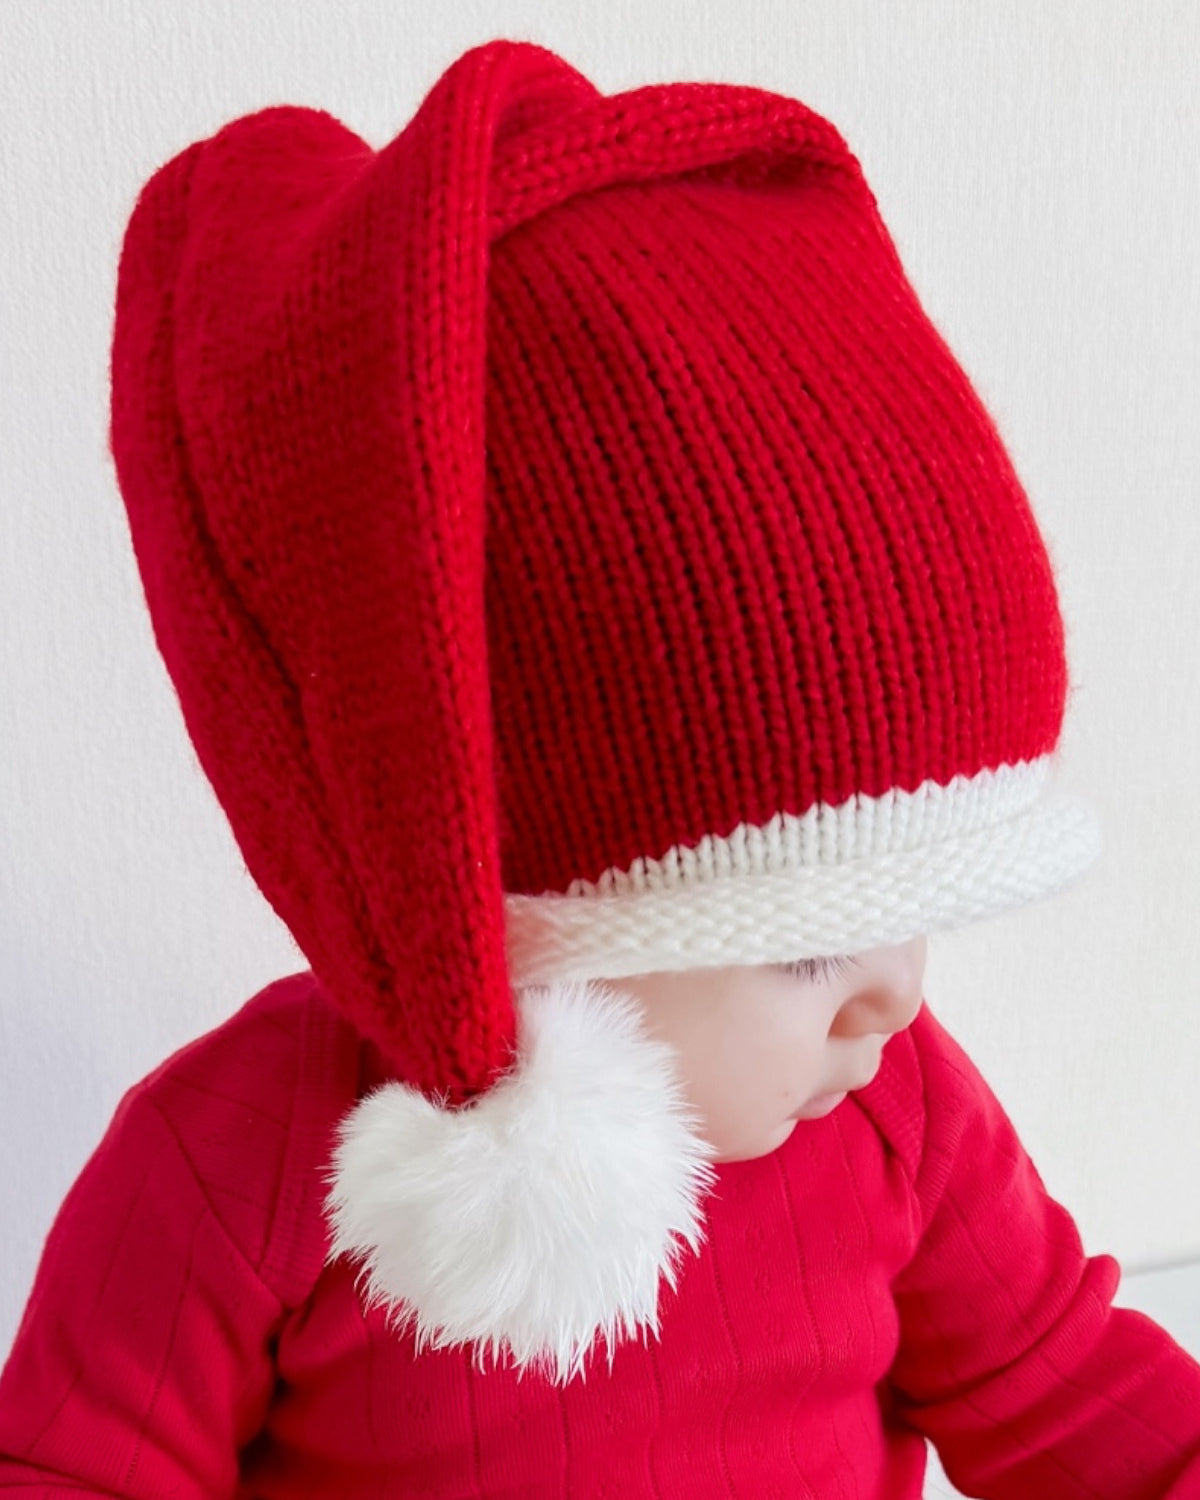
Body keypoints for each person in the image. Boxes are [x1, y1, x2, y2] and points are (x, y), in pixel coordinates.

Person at [1, 34, 1198, 1499]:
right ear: (495, 910)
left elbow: (1077, 1401)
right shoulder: (238, 1162)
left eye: (907, 912)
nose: (899, 994)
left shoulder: (901, 1118)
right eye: (804, 946)